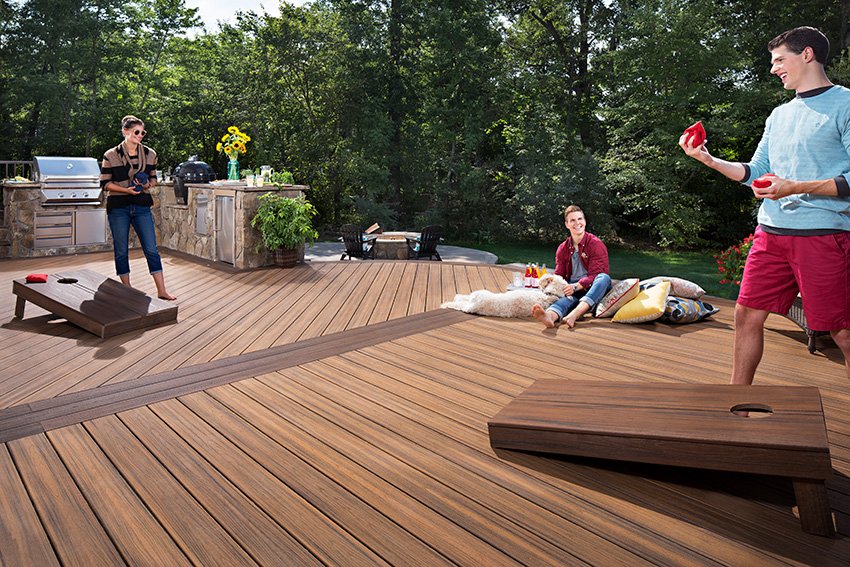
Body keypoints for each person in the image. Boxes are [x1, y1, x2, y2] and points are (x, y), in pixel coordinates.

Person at [679, 26, 850, 384]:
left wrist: (794, 187)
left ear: (807, 55)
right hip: (770, 235)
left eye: (779, 60)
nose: (773, 69)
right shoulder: (779, 115)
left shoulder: (845, 104)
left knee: (843, 332)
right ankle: (735, 403)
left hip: (822, 235)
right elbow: (755, 170)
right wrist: (708, 159)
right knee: (745, 314)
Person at [100, 115, 176, 300]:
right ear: (125, 132)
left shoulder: (150, 154)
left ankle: (162, 290)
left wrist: (147, 185)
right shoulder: (110, 155)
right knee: (121, 250)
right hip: (119, 207)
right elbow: (105, 184)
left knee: (151, 248)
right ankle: (127, 289)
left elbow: (153, 179)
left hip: (141, 206)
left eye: (143, 132)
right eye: (136, 132)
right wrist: (126, 190)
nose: (140, 135)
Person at [532, 205, 612, 328]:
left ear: (584, 221)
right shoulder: (563, 248)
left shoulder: (596, 244)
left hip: (595, 288)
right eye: (572, 220)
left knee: (604, 277)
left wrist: (576, 286)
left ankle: (575, 314)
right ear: (567, 224)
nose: (577, 223)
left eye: (580, 219)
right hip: (574, 289)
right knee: (565, 300)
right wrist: (552, 284)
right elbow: (559, 275)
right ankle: (549, 317)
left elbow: (596, 273)